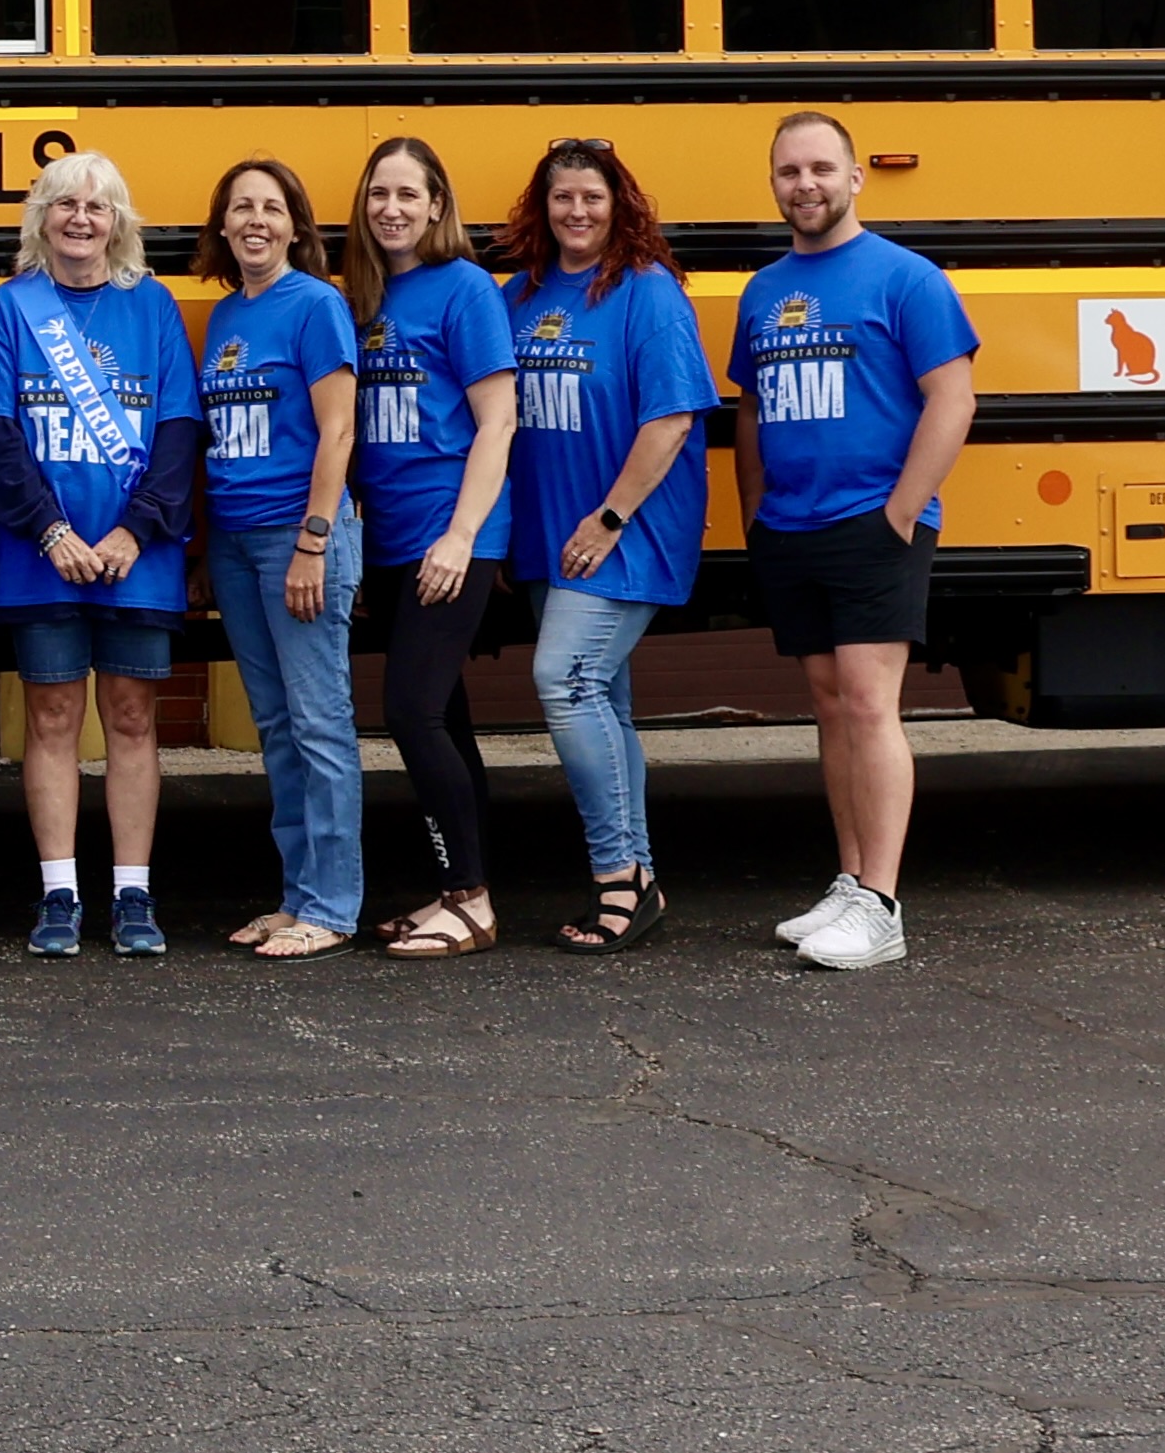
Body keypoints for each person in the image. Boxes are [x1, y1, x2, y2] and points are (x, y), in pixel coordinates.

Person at [730, 110, 976, 972]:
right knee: (829, 705)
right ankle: (847, 879)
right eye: (789, 171)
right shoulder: (762, 290)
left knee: (871, 705)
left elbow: (952, 397)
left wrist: (902, 510)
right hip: (792, 526)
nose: (805, 185)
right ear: (773, 183)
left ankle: (881, 903)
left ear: (854, 177)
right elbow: (751, 406)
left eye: (820, 169)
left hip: (872, 521)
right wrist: (756, 508)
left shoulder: (905, 278)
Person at [0, 150, 199, 960]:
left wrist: (134, 530)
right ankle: (59, 889)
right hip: (44, 556)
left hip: (138, 554)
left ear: (117, 222)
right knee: (53, 718)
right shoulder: (10, 308)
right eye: (64, 203)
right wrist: (50, 532)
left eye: (96, 207)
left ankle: (132, 890)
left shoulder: (152, 306)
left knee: (133, 719)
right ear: (40, 216)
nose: (79, 218)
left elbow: (177, 431)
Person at [495, 138, 711, 954]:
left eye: (591, 196)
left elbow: (672, 418)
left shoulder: (645, 293)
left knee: (564, 677)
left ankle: (617, 874)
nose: (576, 211)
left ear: (617, 203)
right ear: (539, 207)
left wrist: (610, 516)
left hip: (622, 532)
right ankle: (639, 877)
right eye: (561, 198)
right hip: (552, 538)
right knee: (605, 702)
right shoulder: (519, 293)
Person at [345, 135, 521, 962]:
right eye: (378, 193)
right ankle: (461, 887)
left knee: (409, 710)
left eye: (408, 194)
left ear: (437, 205)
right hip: (386, 540)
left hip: (449, 537)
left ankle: (470, 899)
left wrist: (459, 535)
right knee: (444, 715)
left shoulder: (464, 289)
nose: (391, 208)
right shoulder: (367, 294)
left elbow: (497, 419)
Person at [188, 157, 365, 964]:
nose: (254, 220)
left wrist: (313, 539)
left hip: (296, 537)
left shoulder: (314, 305)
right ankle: (296, 893)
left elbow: (336, 430)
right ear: (221, 226)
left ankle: (333, 904)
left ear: (295, 224)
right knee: (275, 726)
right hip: (232, 540)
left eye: (270, 207)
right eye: (239, 208)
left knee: (320, 723)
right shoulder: (226, 314)